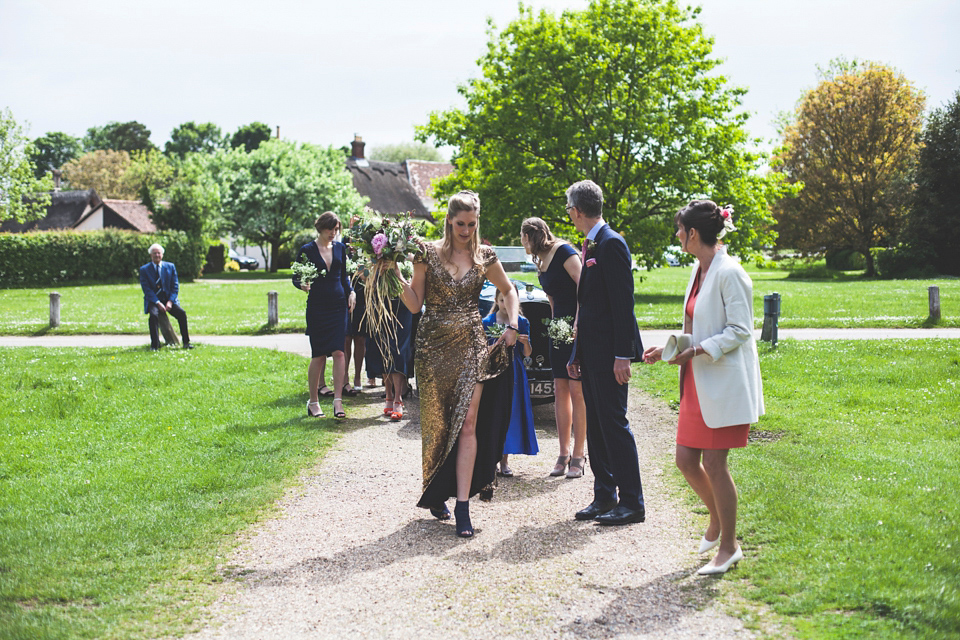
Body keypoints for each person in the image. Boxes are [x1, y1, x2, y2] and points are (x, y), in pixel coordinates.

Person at [643, 200, 764, 575]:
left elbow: (741, 331)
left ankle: (729, 547)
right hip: (697, 381)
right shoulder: (699, 268)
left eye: (679, 229)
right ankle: (717, 520)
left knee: (714, 463)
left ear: (692, 233)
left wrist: (697, 350)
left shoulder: (731, 273)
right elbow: (702, 323)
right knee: (685, 460)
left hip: (723, 383)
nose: (676, 235)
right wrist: (671, 348)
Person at [398, 190, 519, 538]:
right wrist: (394, 277)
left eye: (472, 223)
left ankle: (463, 506)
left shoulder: (485, 256)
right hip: (432, 345)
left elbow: (509, 290)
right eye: (460, 223)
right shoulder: (426, 253)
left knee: (468, 422)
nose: (466, 230)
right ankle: (437, 491)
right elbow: (414, 304)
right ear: (449, 220)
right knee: (437, 425)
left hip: (471, 342)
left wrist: (511, 324)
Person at [565, 180, 646, 526]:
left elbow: (622, 303)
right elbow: (589, 304)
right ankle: (603, 495)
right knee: (596, 426)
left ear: (577, 210)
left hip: (611, 356)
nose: (568, 214)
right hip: (591, 353)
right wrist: (577, 352)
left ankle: (632, 501)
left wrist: (623, 355)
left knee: (614, 425)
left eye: (568, 208)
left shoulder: (611, 244)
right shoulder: (590, 244)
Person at [521, 217, 587, 479]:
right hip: (558, 328)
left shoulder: (565, 252)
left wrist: (579, 324)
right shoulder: (540, 261)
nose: (522, 242)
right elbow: (551, 300)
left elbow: (584, 287)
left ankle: (580, 455)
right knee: (560, 389)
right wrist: (555, 328)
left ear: (530, 236)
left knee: (576, 390)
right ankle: (563, 453)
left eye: (523, 237)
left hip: (577, 326)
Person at [293, 212, 356, 420]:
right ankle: (313, 402)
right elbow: (296, 276)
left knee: (339, 352)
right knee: (319, 355)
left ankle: (338, 401)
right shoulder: (307, 250)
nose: (333, 233)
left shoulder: (340, 248)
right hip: (318, 307)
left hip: (339, 306)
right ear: (321, 228)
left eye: (336, 229)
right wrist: (301, 284)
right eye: (330, 229)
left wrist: (352, 292)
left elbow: (344, 277)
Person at [482, 287, 537, 476]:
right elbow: (482, 352)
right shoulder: (487, 322)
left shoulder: (521, 322)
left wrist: (525, 342)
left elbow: (528, 354)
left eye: (509, 300)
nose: (505, 304)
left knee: (511, 415)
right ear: (496, 301)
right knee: (493, 414)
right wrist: (496, 343)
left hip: (515, 371)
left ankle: (505, 460)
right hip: (493, 371)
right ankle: (492, 460)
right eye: (502, 300)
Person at [139, 243, 193, 350]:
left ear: (162, 255)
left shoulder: (170, 267)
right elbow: (147, 290)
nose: (157, 255)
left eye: (159, 253)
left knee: (182, 314)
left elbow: (175, 286)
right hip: (154, 301)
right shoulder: (144, 270)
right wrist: (158, 303)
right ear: (151, 255)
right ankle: (155, 345)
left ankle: (186, 342)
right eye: (154, 253)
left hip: (168, 300)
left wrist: (170, 302)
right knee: (153, 316)